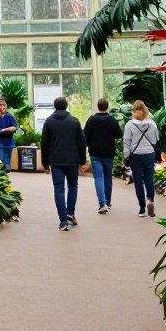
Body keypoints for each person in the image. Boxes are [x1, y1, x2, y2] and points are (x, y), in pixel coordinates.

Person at [40, 96, 87, 231]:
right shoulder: (74, 121)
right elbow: (81, 143)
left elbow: (44, 143)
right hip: (73, 160)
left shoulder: (49, 122)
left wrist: (45, 163)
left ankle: (63, 221)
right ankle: (70, 213)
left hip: (56, 161)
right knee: (73, 186)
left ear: (55, 107)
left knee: (59, 189)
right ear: (66, 106)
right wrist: (82, 161)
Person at [83, 98, 122, 214]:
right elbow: (119, 134)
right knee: (108, 177)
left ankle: (102, 203)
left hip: (95, 153)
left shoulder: (91, 120)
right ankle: (108, 201)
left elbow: (85, 136)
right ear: (107, 107)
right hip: (109, 153)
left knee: (98, 177)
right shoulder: (111, 120)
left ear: (98, 107)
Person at [123, 100, 160, 217]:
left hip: (135, 156)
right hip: (149, 154)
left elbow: (126, 143)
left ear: (133, 111)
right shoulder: (152, 123)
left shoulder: (129, 125)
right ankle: (150, 200)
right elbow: (156, 140)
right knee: (149, 179)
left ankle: (142, 208)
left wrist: (126, 157)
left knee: (138, 182)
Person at [0, 98, 18, 172]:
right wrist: (0, 131)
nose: (1, 107)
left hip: (9, 143)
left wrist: (7, 130)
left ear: (6, 106)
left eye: (3, 105)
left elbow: (14, 127)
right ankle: (2, 175)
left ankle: (5, 175)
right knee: (1, 160)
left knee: (7, 162)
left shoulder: (10, 117)